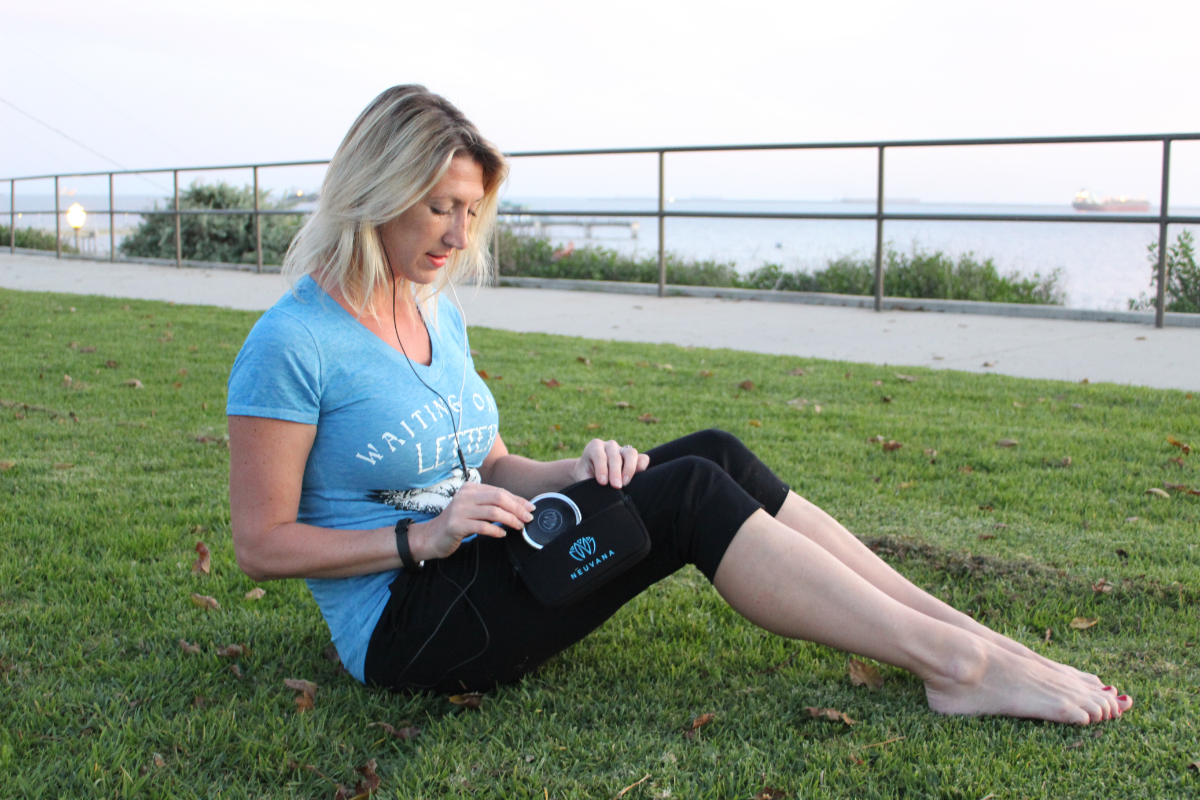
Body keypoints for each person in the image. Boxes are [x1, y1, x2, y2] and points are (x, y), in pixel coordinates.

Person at [227, 85, 1132, 725]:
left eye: (471, 211)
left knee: (712, 453)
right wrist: (415, 538)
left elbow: (495, 465)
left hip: (491, 555)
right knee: (689, 494)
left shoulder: (435, 311)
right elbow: (260, 544)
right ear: (375, 192)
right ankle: (957, 668)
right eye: (437, 208)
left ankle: (957, 630)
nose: (459, 235)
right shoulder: (294, 341)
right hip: (405, 625)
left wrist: (582, 468)